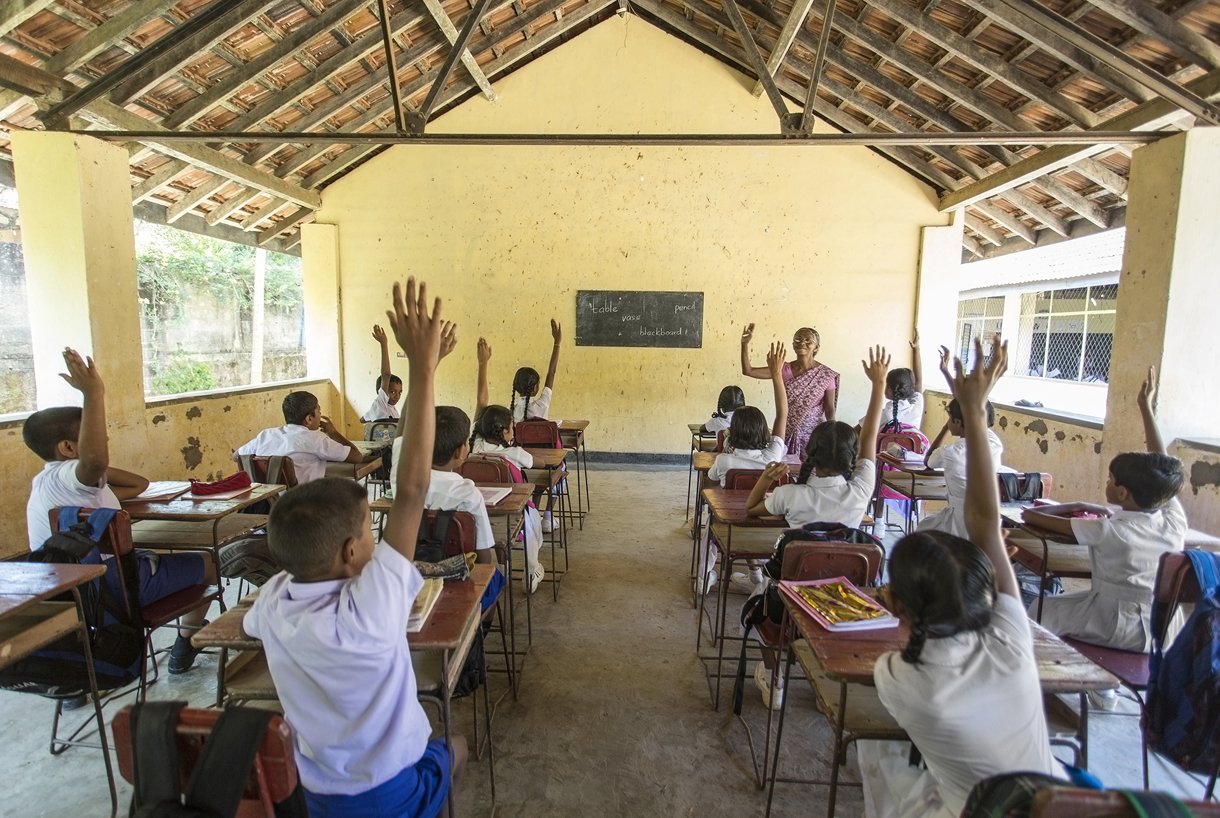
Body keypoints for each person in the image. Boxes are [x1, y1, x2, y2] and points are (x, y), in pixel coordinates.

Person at [243, 277, 467, 817]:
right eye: (371, 529)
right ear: (349, 552)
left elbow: (408, 492)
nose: (379, 536)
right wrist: (425, 367)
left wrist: (419, 367)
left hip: (315, 792)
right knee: (455, 749)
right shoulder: (371, 605)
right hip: (387, 788)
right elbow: (412, 490)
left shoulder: (274, 600)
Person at [858, 337, 1065, 818]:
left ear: (899, 606)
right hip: (1054, 804)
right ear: (985, 588)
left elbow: (980, 526)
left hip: (968, 811)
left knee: (875, 746)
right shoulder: (1013, 639)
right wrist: (976, 408)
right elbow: (986, 527)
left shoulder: (901, 675)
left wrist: (966, 411)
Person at [23, 348, 214, 675]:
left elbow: (139, 485)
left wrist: (97, 474)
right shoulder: (74, 475)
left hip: (73, 598)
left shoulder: (49, 482)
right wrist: (93, 394)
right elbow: (96, 461)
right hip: (114, 592)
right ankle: (186, 644)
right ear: (69, 448)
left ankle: (79, 683)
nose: (104, 436)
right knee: (211, 562)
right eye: (92, 434)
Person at [741, 345, 887, 708]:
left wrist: (767, 478)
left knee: (756, 596)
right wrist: (879, 386)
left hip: (790, 606)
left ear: (807, 454)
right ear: (851, 460)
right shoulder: (860, 491)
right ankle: (832, 685)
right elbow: (870, 436)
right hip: (844, 605)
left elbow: (751, 509)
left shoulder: (791, 496)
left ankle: (775, 680)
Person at [1022, 366, 1186, 662]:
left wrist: (1076, 505)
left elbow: (1031, 516)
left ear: (1123, 493)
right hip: (1164, 627)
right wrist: (1145, 408)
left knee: (1042, 609)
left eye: (1110, 480)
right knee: (1059, 606)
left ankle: (1067, 678)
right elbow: (1162, 467)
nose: (1106, 484)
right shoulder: (1173, 520)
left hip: (1117, 623)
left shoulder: (1110, 530)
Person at [698, 344, 787, 595]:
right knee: (749, 520)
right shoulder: (773, 456)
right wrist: (777, 375)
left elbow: (711, 487)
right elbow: (783, 414)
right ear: (765, 431)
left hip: (730, 526)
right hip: (768, 526)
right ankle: (756, 575)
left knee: (710, 525)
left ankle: (704, 576)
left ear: (731, 434)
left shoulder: (725, 461)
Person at [472, 336, 545, 594]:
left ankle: (498, 570)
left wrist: (483, 364)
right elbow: (536, 463)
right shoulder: (513, 454)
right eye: (511, 426)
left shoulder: (475, 445)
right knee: (532, 518)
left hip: (474, 514)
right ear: (504, 431)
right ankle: (532, 568)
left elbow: (481, 404)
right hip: (508, 515)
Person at [916, 346, 1004, 540]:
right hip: (990, 520)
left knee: (921, 534)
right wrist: (946, 371)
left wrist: (944, 428)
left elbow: (928, 461)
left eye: (950, 418)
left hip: (960, 521)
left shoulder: (951, 453)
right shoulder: (994, 442)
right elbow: (967, 405)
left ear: (956, 422)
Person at [741, 324, 838, 456]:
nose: (802, 342)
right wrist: (744, 345)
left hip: (814, 434)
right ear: (793, 344)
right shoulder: (782, 369)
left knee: (811, 470)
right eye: (798, 339)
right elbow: (748, 371)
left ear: (816, 347)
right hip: (786, 430)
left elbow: (829, 409)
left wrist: (832, 434)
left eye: (808, 340)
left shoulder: (825, 375)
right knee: (785, 470)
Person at [234, 390, 363, 484]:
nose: (320, 415)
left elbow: (236, 456)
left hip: (269, 503)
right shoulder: (316, 439)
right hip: (302, 503)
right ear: (309, 418)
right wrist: (333, 433)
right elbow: (357, 457)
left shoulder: (266, 434)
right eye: (319, 411)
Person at [862, 330, 924, 432]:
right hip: (913, 449)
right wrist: (916, 349)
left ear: (890, 389)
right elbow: (919, 380)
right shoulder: (917, 405)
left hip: (886, 448)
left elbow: (857, 431)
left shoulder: (885, 413)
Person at [511, 319, 562, 422]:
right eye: (538, 383)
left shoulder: (509, 412)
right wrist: (557, 343)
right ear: (535, 387)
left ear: (516, 387)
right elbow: (551, 373)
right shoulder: (542, 406)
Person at [361, 324, 403, 422]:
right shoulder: (381, 403)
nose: (397, 396)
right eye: (392, 392)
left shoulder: (392, 409)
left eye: (400, 392)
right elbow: (386, 375)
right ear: (381, 392)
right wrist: (384, 344)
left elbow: (362, 419)